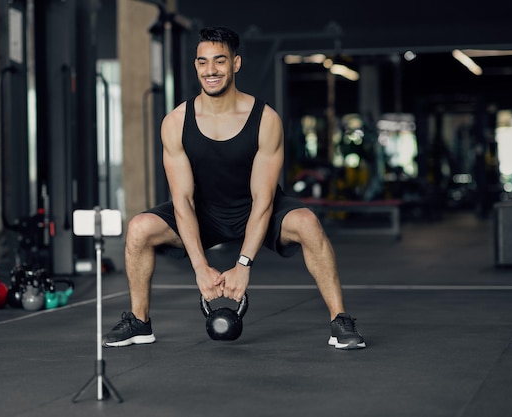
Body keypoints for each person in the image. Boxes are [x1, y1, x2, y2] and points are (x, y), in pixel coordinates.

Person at [103, 26, 365, 350]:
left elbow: (264, 200)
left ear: (236, 64)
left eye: (219, 61)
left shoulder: (265, 119)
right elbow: (182, 200)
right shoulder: (175, 122)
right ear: (196, 65)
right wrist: (200, 267)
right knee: (140, 228)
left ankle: (339, 319)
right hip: (204, 213)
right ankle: (139, 322)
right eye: (202, 62)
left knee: (308, 224)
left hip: (255, 210)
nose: (210, 70)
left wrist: (243, 265)